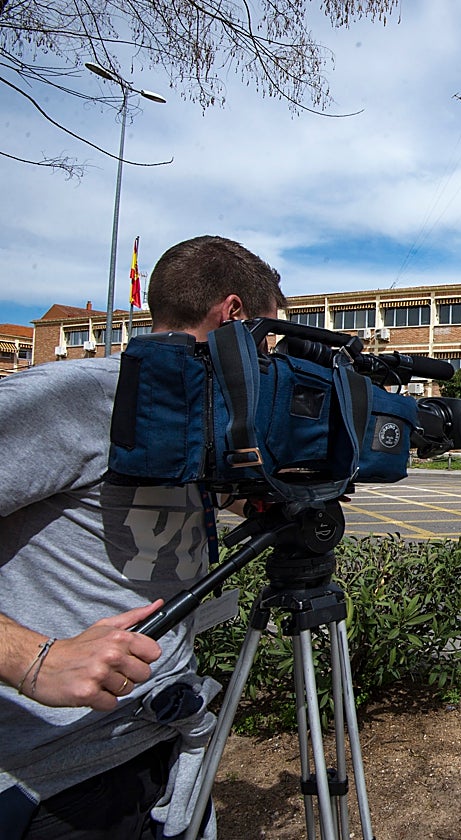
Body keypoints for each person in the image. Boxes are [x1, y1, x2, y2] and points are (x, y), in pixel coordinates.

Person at [0, 235, 287, 839]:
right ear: (233, 317)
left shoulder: (206, 413)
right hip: (53, 778)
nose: (272, 365)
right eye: (268, 343)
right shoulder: (77, 397)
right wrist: (31, 659)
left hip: (161, 741)